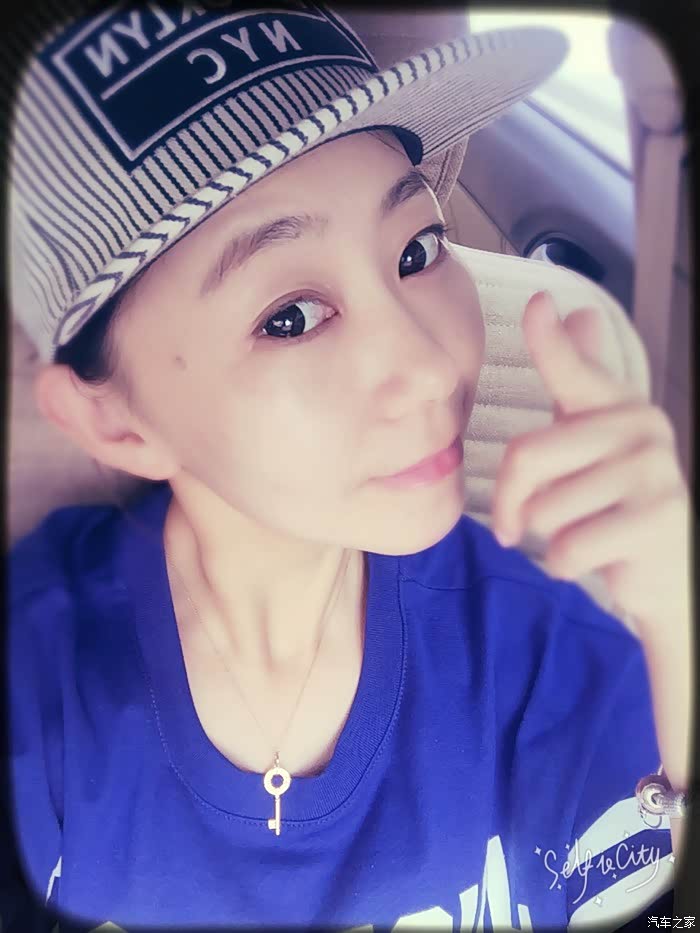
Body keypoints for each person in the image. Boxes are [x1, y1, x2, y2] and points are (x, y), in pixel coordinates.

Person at [5, 3, 692, 931]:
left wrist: (679, 641)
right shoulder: (38, 684)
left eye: (417, 250)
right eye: (290, 317)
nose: (433, 367)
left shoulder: (544, 655)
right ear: (113, 421)